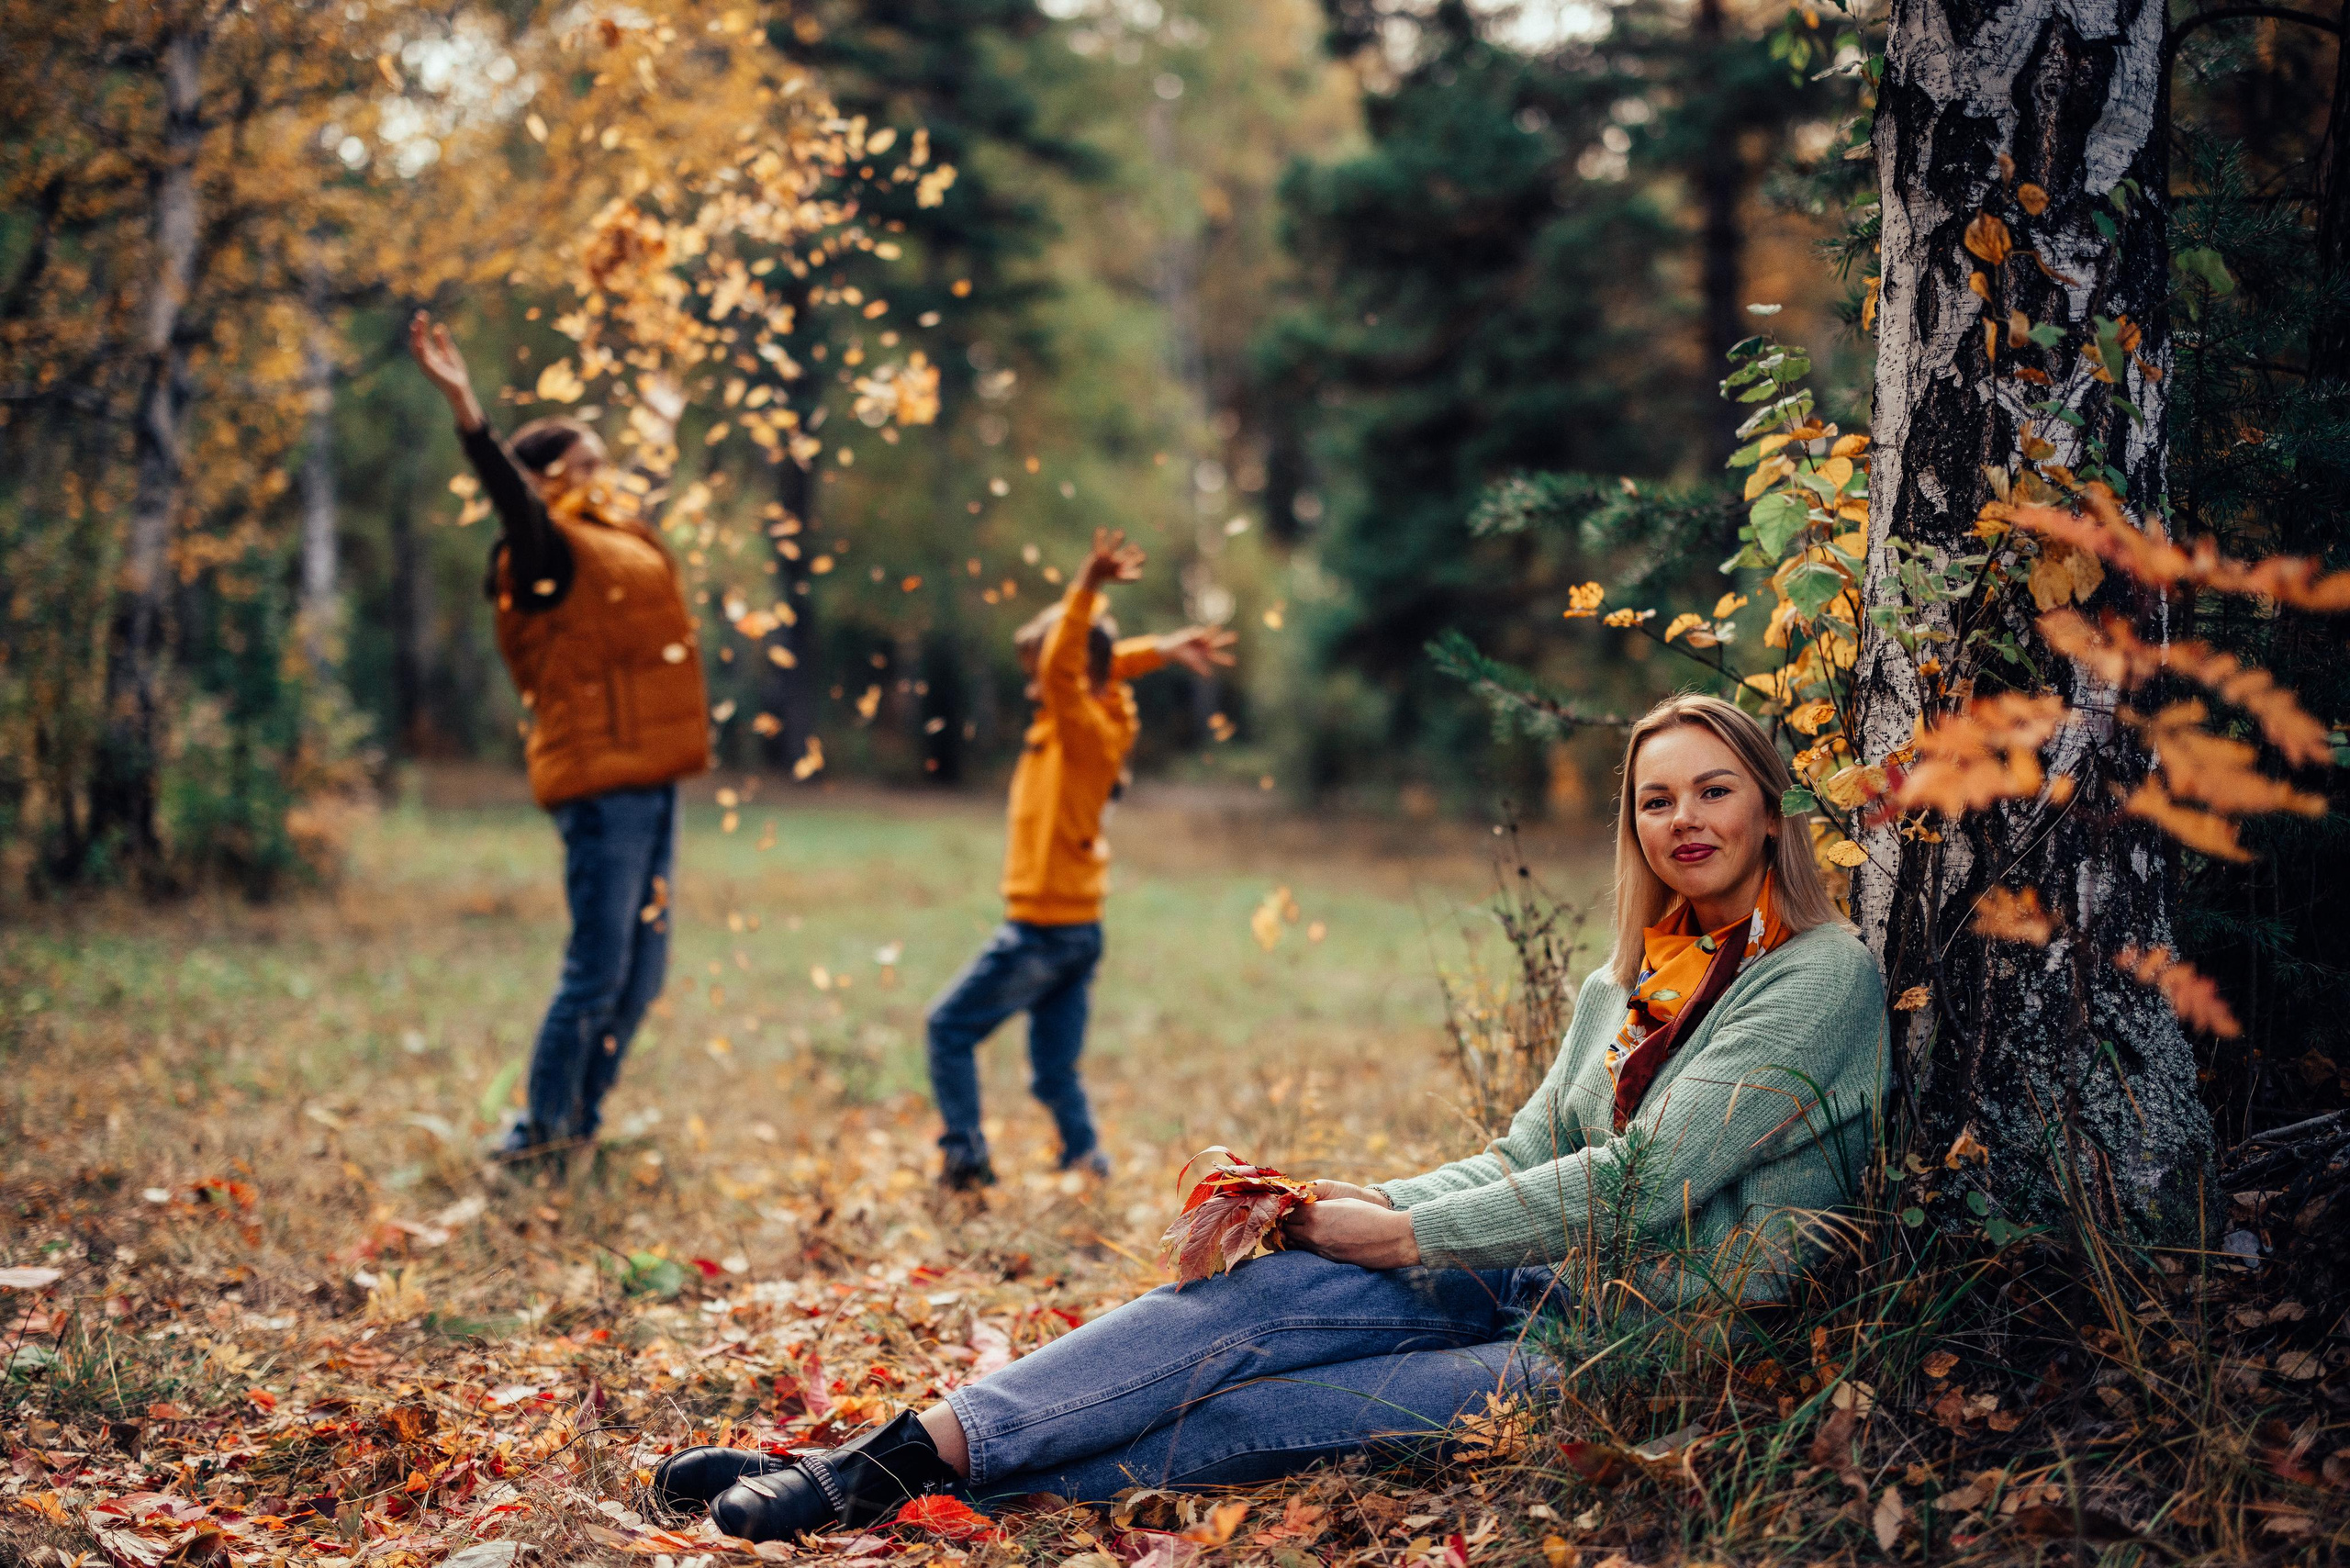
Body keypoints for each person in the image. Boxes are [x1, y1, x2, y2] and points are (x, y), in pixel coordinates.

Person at [650, 692, 1889, 1535]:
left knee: (1252, 1418)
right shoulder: (1626, 981)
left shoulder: (1819, 976)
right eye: (1657, 799)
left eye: (1714, 792)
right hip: (1533, 1276)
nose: (1685, 821)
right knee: (1244, 1305)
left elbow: (1644, 1182)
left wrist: (1399, 1240)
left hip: (1649, 1350)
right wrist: (1347, 1208)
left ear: (1769, 811)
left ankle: (896, 1496)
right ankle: (874, 1465)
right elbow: (1529, 1156)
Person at [408, 311, 711, 1160]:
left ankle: (579, 1124)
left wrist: (662, 412)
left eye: (599, 465)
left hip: (652, 779)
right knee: (597, 973)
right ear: (543, 480)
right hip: (599, 790)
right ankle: (536, 1135)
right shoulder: (540, 553)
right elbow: (511, 499)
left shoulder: (608, 536)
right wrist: (467, 407)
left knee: (641, 978)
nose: (598, 476)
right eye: (582, 466)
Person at [923, 528, 1237, 1190]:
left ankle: (966, 1160)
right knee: (1053, 1070)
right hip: (1077, 928)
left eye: (1044, 670)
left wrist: (1087, 589)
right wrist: (1159, 650)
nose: (1035, 682)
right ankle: (1086, 1161)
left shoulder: (1083, 729)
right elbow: (1094, 665)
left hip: (1044, 930)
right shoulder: (1093, 719)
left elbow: (1075, 665)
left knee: (947, 1029)